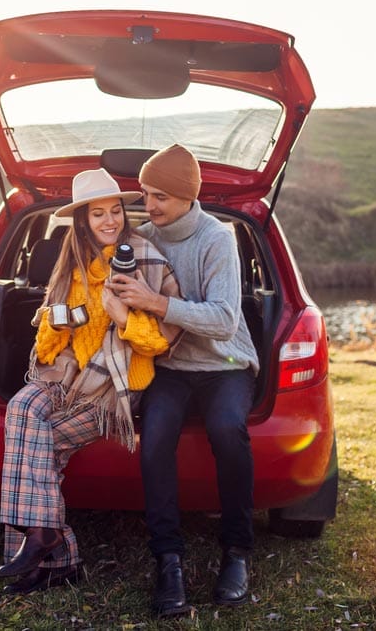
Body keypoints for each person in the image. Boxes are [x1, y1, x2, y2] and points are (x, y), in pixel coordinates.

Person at [0, 167, 181, 595]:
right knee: (22, 410)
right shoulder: (70, 262)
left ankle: (50, 556)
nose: (109, 221)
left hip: (115, 390)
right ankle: (48, 544)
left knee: (40, 442)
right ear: (82, 221)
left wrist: (123, 316)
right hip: (65, 374)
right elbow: (45, 345)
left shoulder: (146, 259)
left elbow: (161, 344)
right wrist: (57, 321)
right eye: (98, 214)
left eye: (115, 211)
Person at [110, 144, 259, 616]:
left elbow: (224, 321)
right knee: (153, 440)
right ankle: (168, 562)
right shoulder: (142, 237)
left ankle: (236, 552)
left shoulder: (218, 239)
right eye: (145, 194)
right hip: (170, 367)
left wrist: (153, 303)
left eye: (160, 197)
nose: (149, 206)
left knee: (227, 431)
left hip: (224, 364)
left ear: (187, 197)